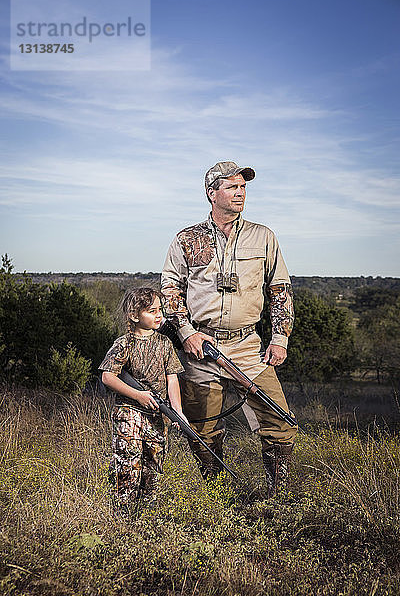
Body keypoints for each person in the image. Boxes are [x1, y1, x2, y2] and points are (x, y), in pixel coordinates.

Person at [161, 161, 298, 498]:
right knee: (202, 429)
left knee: (280, 421)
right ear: (212, 193)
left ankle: (277, 494)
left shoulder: (263, 236)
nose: (241, 193)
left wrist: (279, 338)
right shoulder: (186, 238)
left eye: (243, 187)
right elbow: (169, 289)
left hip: (248, 346)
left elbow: (279, 288)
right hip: (200, 349)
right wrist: (186, 333)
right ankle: (215, 493)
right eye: (232, 187)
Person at [99, 287, 185, 512]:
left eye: (160, 310)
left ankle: (146, 517)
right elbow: (108, 377)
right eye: (151, 311)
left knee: (153, 467)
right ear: (134, 315)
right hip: (129, 412)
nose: (159, 315)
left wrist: (177, 412)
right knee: (128, 465)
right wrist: (139, 395)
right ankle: (123, 516)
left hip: (157, 415)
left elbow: (172, 379)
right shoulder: (124, 343)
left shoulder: (165, 343)